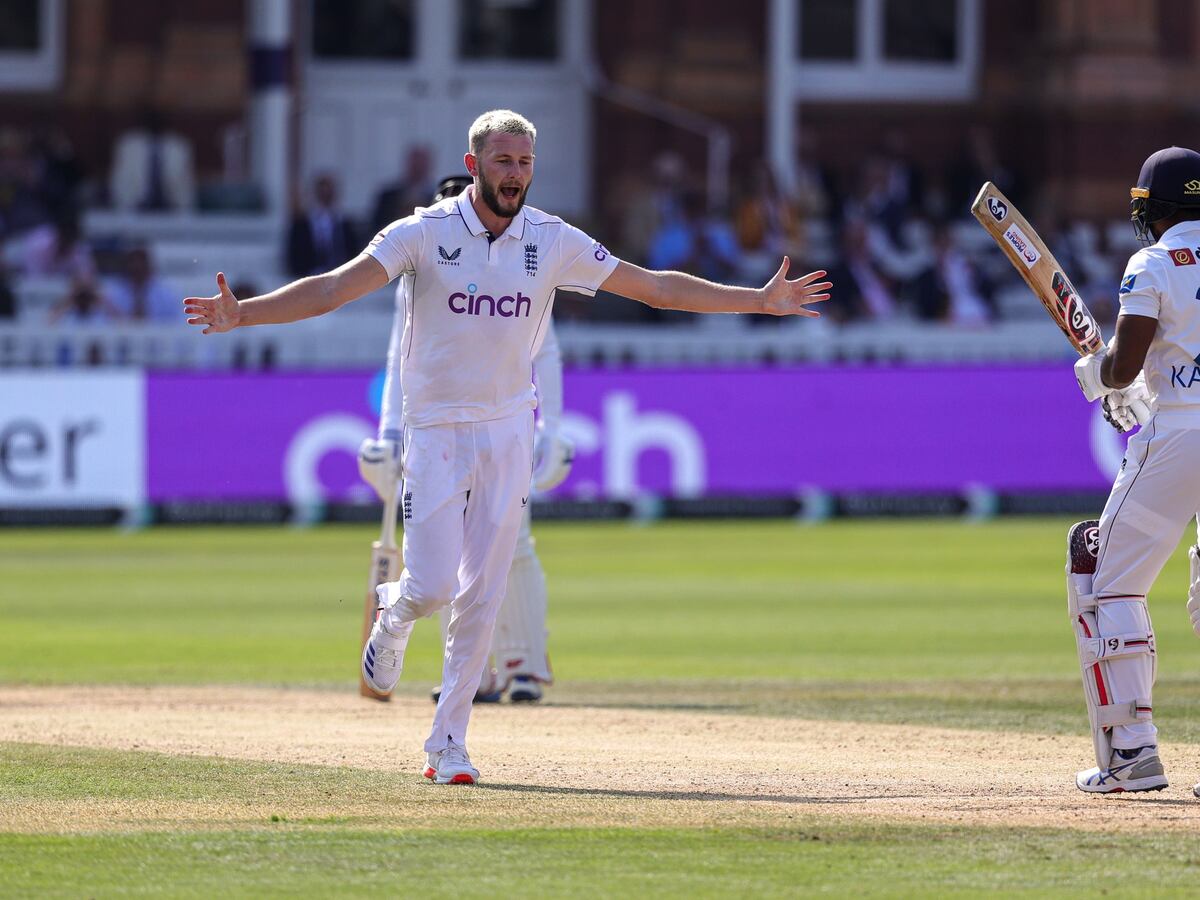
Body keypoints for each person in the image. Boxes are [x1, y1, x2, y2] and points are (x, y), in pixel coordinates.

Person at [184, 109, 831, 786]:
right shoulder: (423, 232)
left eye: (524, 163)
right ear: (473, 166)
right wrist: (245, 313)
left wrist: (756, 301)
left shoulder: (550, 240)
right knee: (433, 585)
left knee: (483, 594)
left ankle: (448, 744)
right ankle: (396, 609)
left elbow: (657, 288)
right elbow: (336, 288)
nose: (514, 175)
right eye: (502, 162)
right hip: (435, 428)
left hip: (506, 429)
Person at [359, 174, 572, 706]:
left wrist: (553, 427)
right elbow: (399, 357)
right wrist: (390, 434)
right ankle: (475, 672)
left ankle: (522, 663)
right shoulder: (421, 257)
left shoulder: (525, 256)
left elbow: (544, 352)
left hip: (503, 424)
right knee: (446, 561)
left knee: (512, 548)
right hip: (439, 429)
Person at [1067, 146, 1200, 794]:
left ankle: (1132, 752)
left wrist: (1102, 378)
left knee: (1107, 580)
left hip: (1179, 438)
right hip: (1178, 415)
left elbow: (1123, 364)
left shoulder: (1153, 261)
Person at [286, 173, 358, 278]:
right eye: (322, 194)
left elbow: (351, 251)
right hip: (310, 276)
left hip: (341, 275)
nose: (325, 197)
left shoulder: (344, 223)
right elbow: (294, 255)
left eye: (328, 194)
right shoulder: (301, 224)